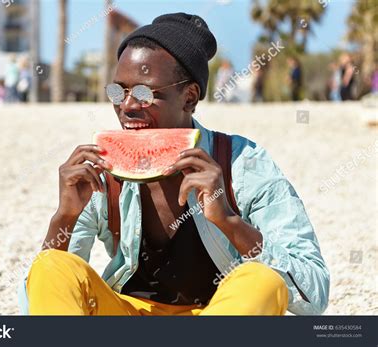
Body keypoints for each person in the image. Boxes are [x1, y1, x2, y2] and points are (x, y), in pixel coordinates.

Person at [20, 13, 329, 316]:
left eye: (144, 93)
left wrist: (229, 221)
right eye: (118, 91)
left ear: (189, 97)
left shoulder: (242, 163)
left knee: (262, 279)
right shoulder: (103, 171)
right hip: (126, 315)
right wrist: (64, 217)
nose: (127, 107)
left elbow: (314, 294)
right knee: (50, 265)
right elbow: (49, 293)